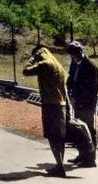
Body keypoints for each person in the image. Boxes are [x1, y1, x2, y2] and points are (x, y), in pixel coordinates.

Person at [22, 45, 68, 177]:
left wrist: (32, 59)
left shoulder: (44, 64)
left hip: (50, 104)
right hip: (61, 104)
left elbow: (25, 71)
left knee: (52, 137)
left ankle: (59, 166)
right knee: (60, 137)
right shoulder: (58, 65)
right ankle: (60, 165)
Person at [66, 41, 98, 167]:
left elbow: (91, 90)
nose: (73, 58)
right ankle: (81, 155)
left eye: (74, 55)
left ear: (80, 52)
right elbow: (70, 80)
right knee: (79, 130)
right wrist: (71, 95)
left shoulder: (91, 67)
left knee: (88, 130)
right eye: (71, 56)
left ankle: (90, 159)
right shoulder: (74, 64)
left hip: (86, 105)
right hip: (76, 102)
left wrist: (80, 102)